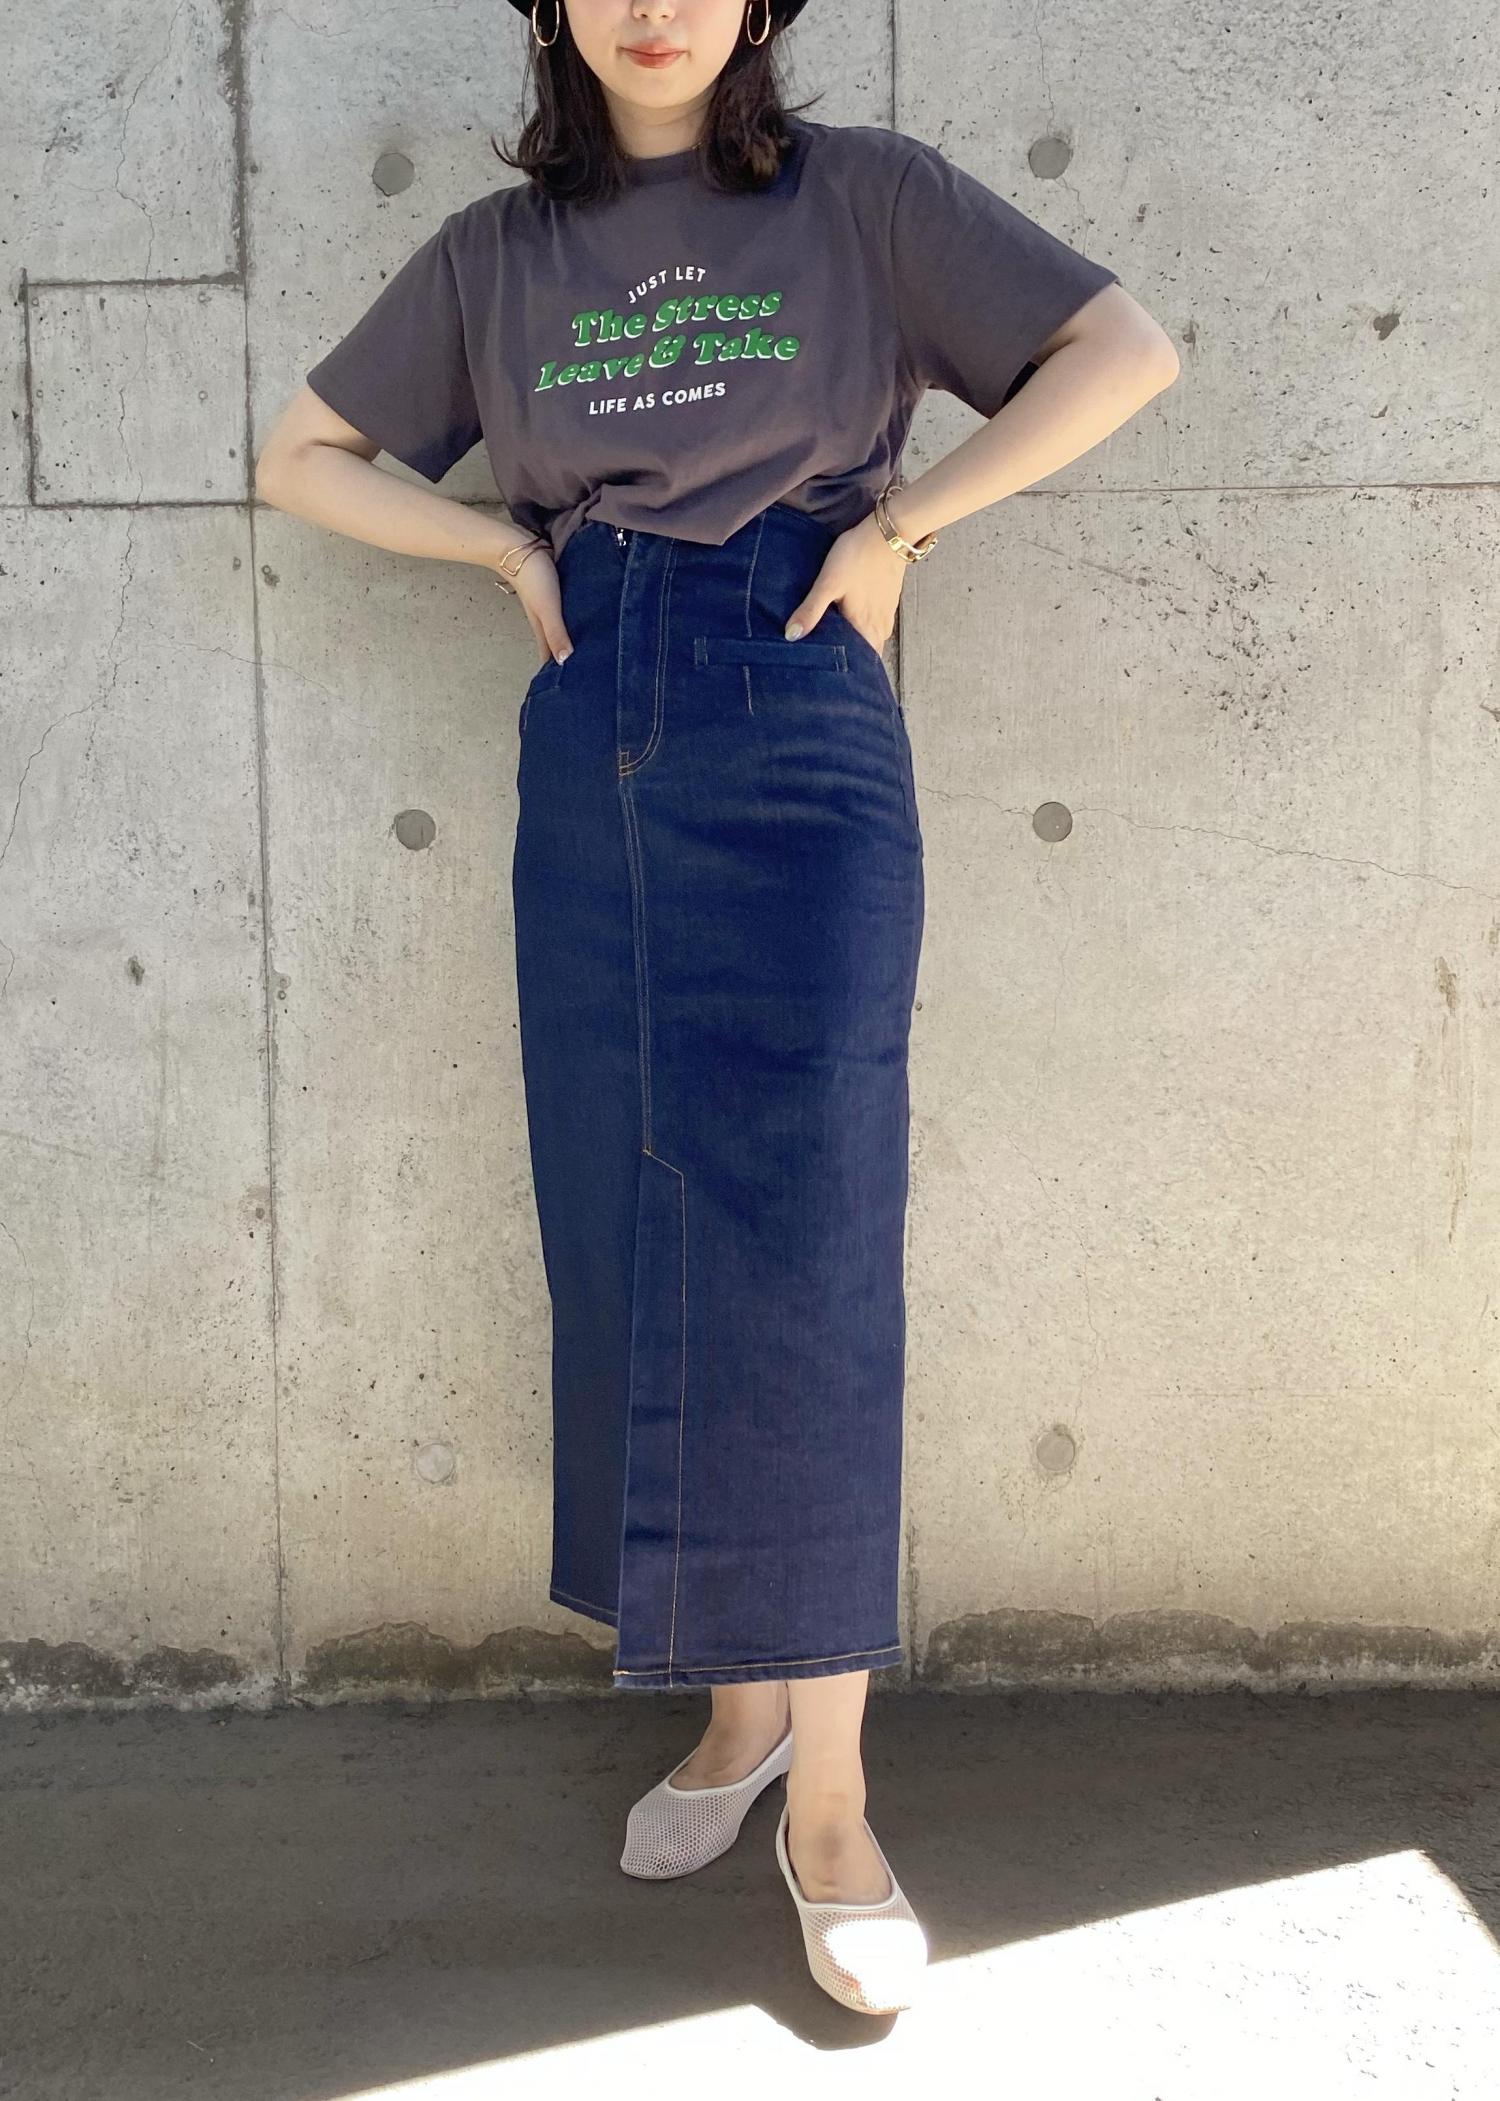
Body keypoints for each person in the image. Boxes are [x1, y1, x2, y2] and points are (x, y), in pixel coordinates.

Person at [255, 0, 1179, 2018]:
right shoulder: (497, 257)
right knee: (631, 1213)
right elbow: (299, 459)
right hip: (592, 717)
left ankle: (831, 1800)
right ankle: (738, 1709)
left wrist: (901, 524)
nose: (652, 7)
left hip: (794, 692)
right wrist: (498, 546)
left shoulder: (863, 200)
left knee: (805, 1240)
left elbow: (1125, 348)